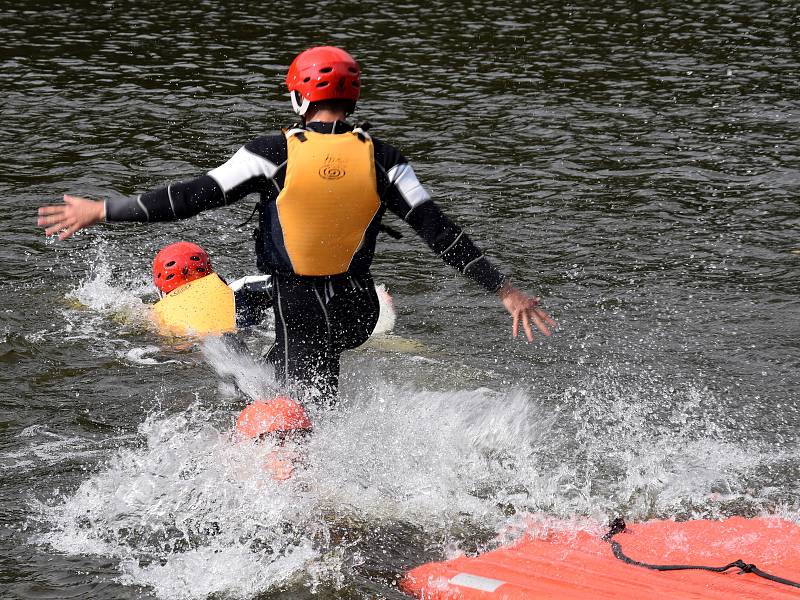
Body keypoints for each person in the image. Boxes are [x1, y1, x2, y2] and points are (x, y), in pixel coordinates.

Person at [37, 46, 556, 401]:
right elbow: (438, 230)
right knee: (310, 371)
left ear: (298, 98)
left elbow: (189, 197)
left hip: (300, 303)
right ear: (351, 100)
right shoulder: (385, 159)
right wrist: (505, 290)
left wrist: (102, 210)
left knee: (276, 385)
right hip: (359, 306)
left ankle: (291, 471)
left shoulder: (273, 153)